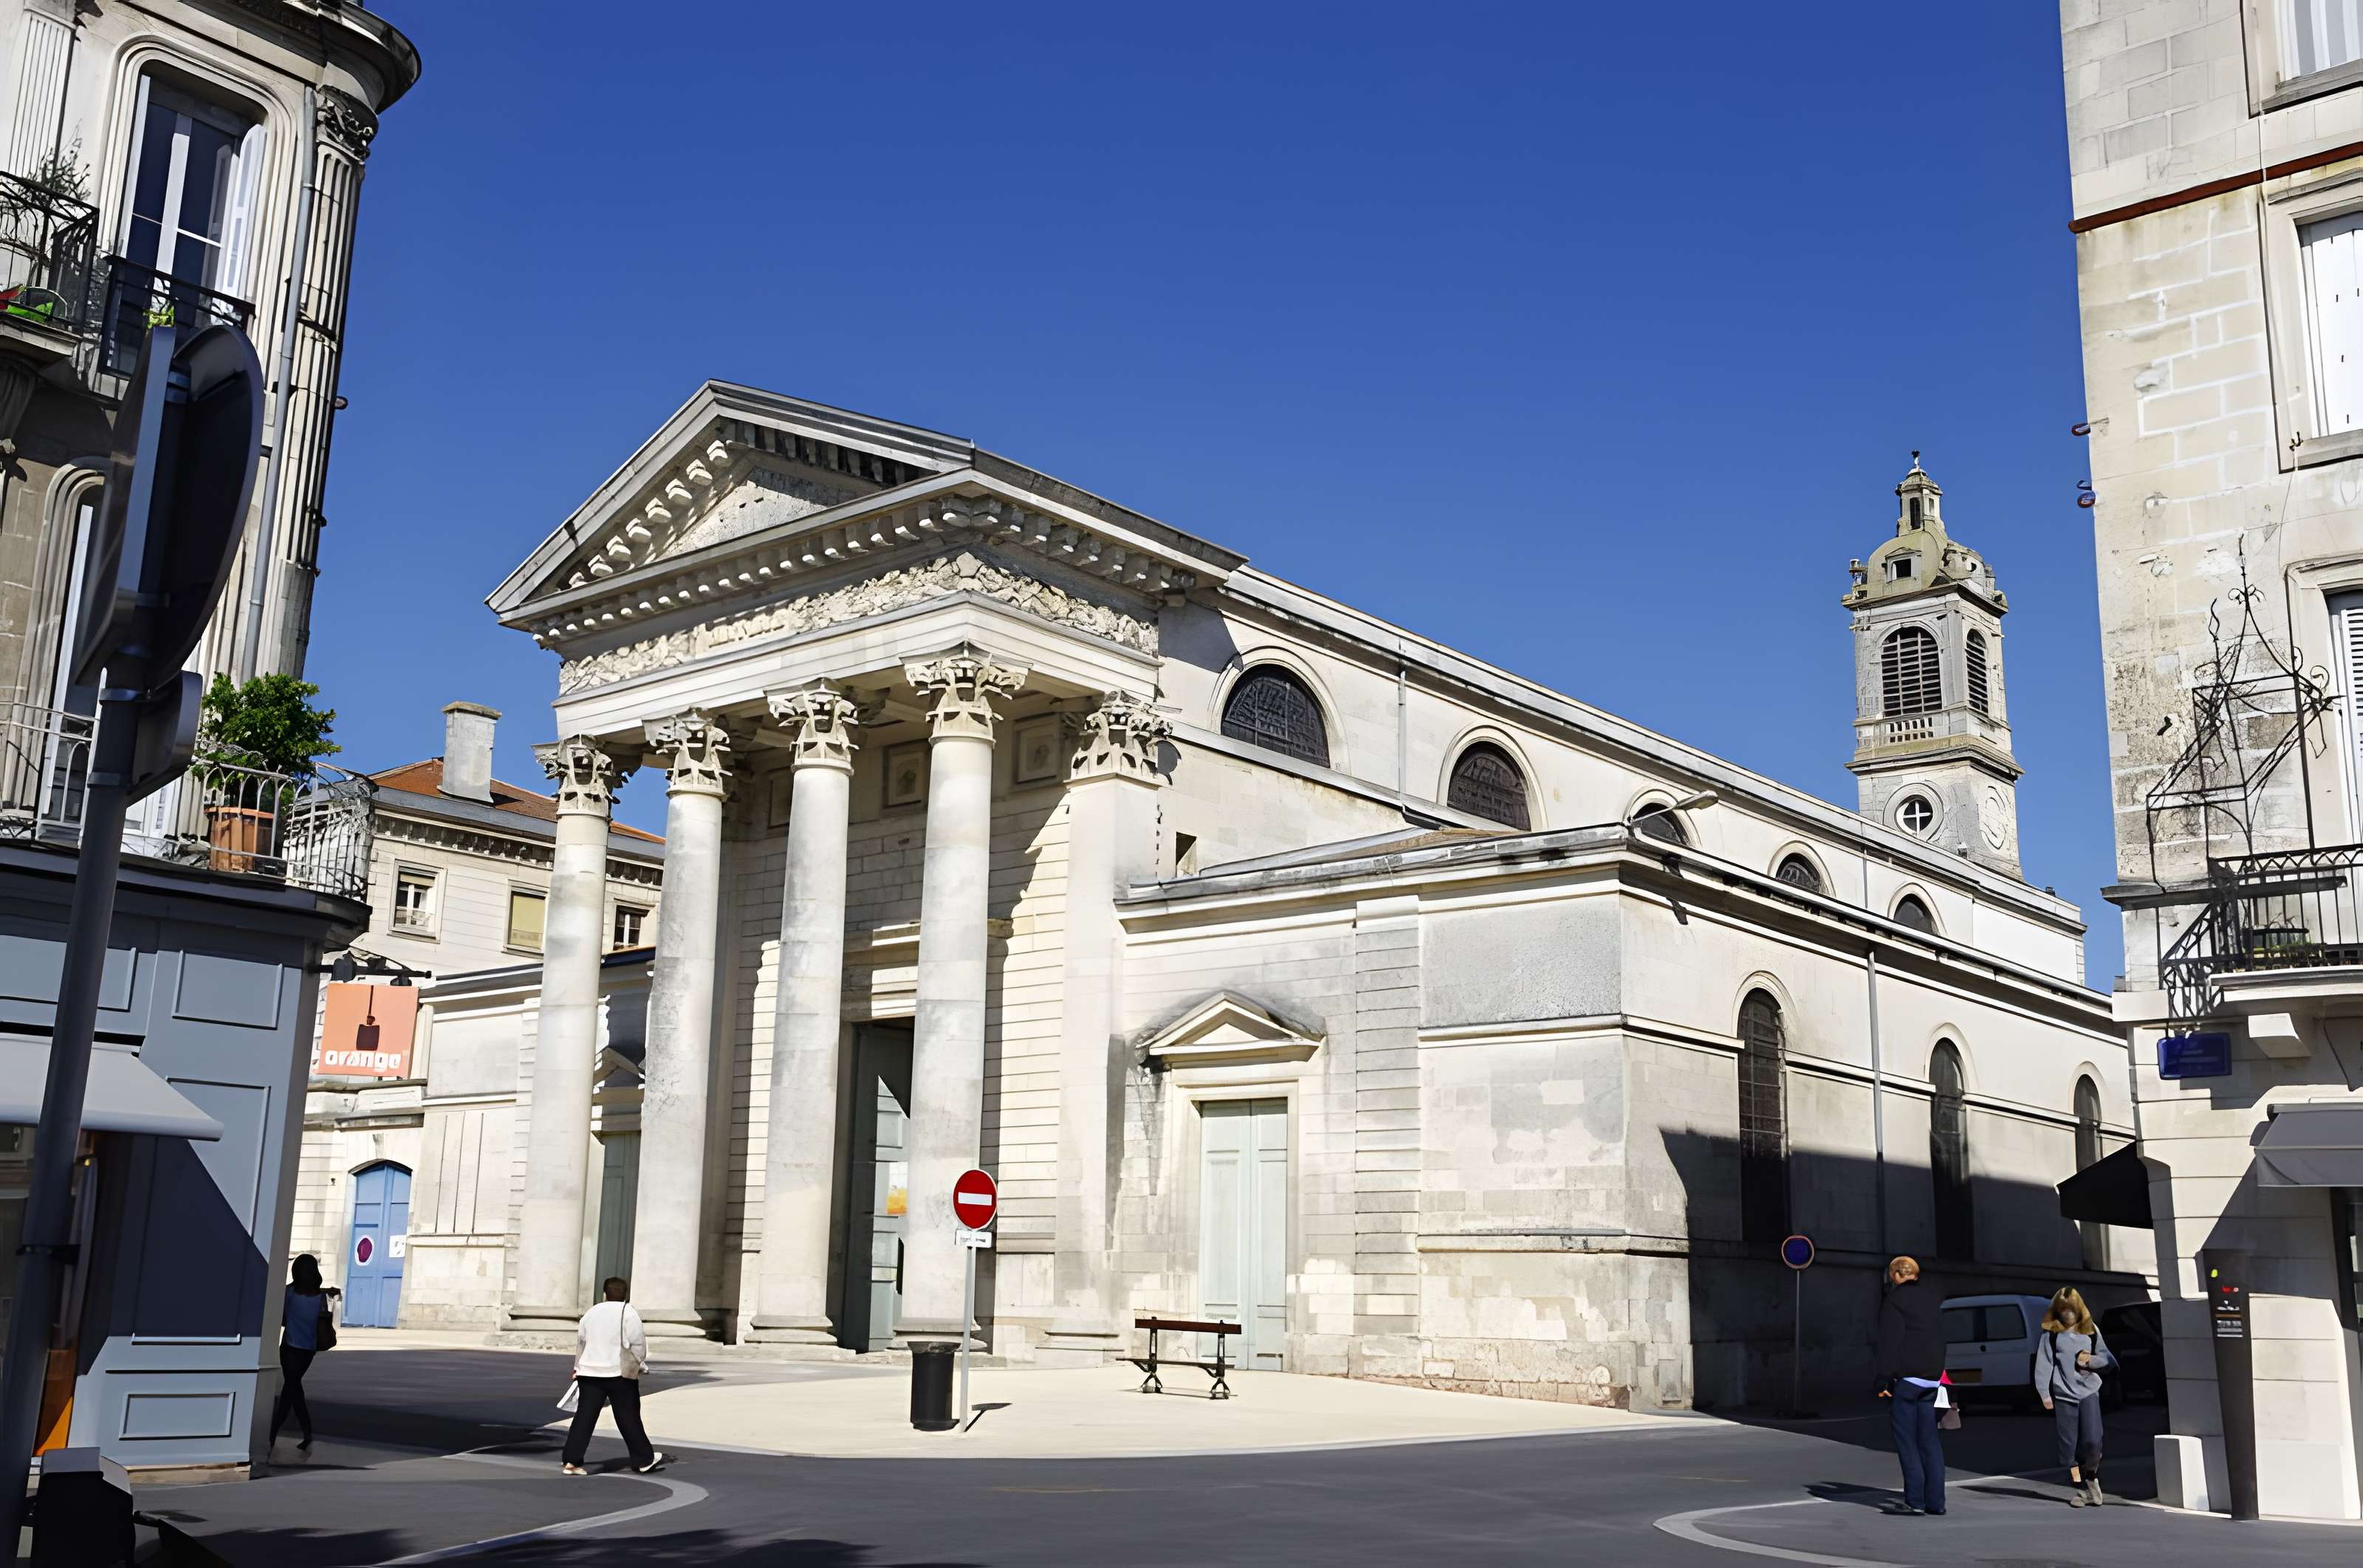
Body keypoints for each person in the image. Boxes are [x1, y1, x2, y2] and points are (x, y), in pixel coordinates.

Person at [561, 1276, 668, 1476]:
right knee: (628, 1417)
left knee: (584, 1417)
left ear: (604, 1294)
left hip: (589, 1373)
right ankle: (643, 1459)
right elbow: (638, 1345)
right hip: (618, 1374)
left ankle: (572, 1461)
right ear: (626, 1295)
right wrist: (640, 1365)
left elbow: (581, 1343)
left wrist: (577, 1367)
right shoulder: (628, 1313)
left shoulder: (591, 1313)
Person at [1872, 1254, 1948, 1516]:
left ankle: (1914, 1500)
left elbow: (1889, 1342)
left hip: (1907, 1380)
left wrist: (1883, 1378)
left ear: (1894, 1275)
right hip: (1932, 1379)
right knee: (1930, 1440)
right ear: (1916, 1275)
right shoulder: (1931, 1298)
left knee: (1907, 1441)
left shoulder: (1894, 1300)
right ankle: (1936, 1502)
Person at [2037, 1287, 2115, 1507]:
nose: (2067, 1314)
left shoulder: (2091, 1331)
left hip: (2089, 1392)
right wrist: (2045, 1393)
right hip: (2064, 1395)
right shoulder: (2050, 1335)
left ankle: (2090, 1477)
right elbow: (2044, 1364)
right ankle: (2080, 1489)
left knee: (2093, 1440)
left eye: (2071, 1309)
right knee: (2069, 1449)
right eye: (2063, 1309)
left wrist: (2091, 1361)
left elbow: (2108, 1359)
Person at [270, 1254, 339, 1453]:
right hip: (308, 1350)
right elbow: (324, 1320)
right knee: (294, 1389)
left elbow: (281, 1319)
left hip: (289, 1347)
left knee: (291, 1390)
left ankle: (273, 1433)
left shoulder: (289, 1293)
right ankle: (305, 1434)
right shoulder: (320, 1298)